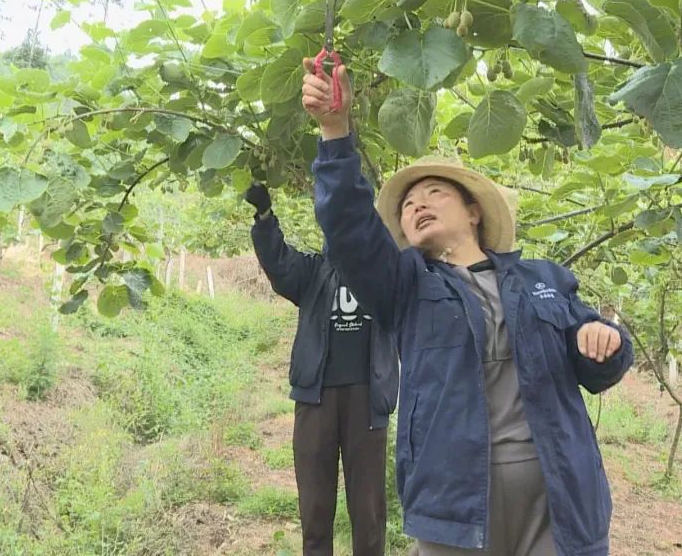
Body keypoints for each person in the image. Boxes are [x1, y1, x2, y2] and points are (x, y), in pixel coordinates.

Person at [300, 60, 633, 556]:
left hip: (558, 495)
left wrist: (606, 342)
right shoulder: (405, 285)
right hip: (453, 503)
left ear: (474, 212)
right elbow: (347, 224)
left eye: (435, 193)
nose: (418, 204)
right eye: (409, 204)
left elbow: (597, 364)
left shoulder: (542, 280)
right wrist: (334, 129)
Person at [245, 182, 399, 556]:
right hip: (316, 400)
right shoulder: (312, 272)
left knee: (369, 510)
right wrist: (265, 217)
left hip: (368, 400)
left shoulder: (384, 275)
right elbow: (278, 261)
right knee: (315, 508)